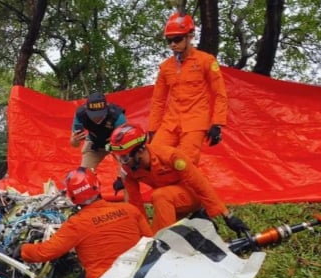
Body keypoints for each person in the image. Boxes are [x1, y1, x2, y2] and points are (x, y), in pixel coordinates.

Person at [18, 167, 153, 278]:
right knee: (83, 277)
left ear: (71, 196)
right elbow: (151, 240)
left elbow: (45, 252)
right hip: (138, 277)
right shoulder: (129, 209)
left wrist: (22, 250)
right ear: (97, 185)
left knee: (89, 275)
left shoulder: (77, 224)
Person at [107, 124, 249, 235]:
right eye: (119, 158)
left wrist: (227, 216)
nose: (122, 162)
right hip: (168, 204)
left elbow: (199, 184)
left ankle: (168, 244)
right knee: (153, 235)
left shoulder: (171, 156)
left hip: (190, 197)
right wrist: (143, 236)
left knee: (160, 197)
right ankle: (195, 222)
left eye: (124, 157)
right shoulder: (127, 169)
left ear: (140, 150)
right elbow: (135, 203)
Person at [148, 12, 228, 164]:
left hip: (195, 123)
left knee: (184, 165)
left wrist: (217, 123)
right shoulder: (166, 67)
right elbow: (158, 100)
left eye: (177, 39)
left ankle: (187, 188)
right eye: (169, 40)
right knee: (153, 158)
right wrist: (153, 129)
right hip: (170, 123)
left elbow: (219, 93)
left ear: (190, 36)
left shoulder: (206, 61)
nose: (172, 44)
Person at [70, 92, 127, 169]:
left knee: (126, 170)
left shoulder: (117, 115)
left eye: (100, 114)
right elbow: (74, 145)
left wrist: (120, 177)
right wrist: (75, 140)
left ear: (106, 109)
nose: (97, 118)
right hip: (94, 143)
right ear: (86, 110)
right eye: (93, 115)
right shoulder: (80, 114)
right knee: (84, 175)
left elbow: (125, 145)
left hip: (116, 145)